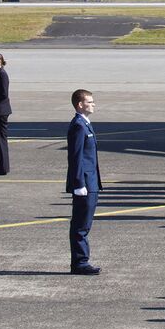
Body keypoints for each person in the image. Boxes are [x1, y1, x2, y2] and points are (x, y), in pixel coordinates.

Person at [66, 88, 102, 275]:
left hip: (91, 183)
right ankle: (80, 262)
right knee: (81, 226)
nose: (93, 104)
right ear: (80, 104)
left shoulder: (85, 124)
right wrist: (79, 184)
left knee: (84, 224)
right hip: (85, 184)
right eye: (89, 101)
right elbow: (76, 157)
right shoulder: (79, 125)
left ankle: (81, 260)